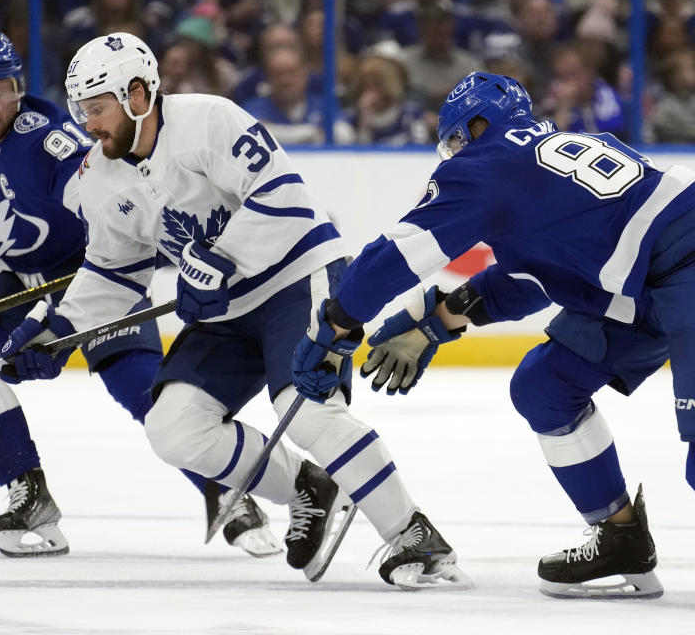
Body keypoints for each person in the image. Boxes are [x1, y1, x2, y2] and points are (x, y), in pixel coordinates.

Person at [1, 31, 470, 589]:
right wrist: (58, 332)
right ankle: (307, 486)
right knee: (172, 429)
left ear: (136, 94)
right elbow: (113, 270)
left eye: (97, 109)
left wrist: (219, 260)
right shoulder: (99, 179)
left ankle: (415, 537)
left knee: (308, 409)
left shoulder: (206, 120)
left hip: (297, 278)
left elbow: (279, 192)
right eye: (80, 110)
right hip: (223, 312)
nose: (87, 124)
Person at [293, 71, 692, 599]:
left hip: (680, 272)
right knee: (545, 386)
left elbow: (398, 254)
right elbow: (536, 276)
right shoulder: (548, 156)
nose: (454, 153)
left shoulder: (485, 163)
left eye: (457, 138)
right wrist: (438, 323)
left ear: (479, 125)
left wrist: (337, 324)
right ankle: (620, 537)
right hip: (652, 282)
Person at [0, 32, 279, 559]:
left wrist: (85, 302)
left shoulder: (50, 142)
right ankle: (28, 493)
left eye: (0, 92)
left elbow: (111, 208)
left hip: (91, 267)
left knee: (138, 381)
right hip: (5, 269)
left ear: (18, 90)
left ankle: (224, 487)